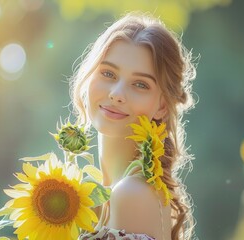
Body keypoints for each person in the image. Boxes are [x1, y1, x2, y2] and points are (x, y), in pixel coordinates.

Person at [70, 12, 196, 240]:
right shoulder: (95, 197)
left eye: (140, 84)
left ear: (162, 107)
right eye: (108, 73)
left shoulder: (132, 195)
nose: (117, 94)